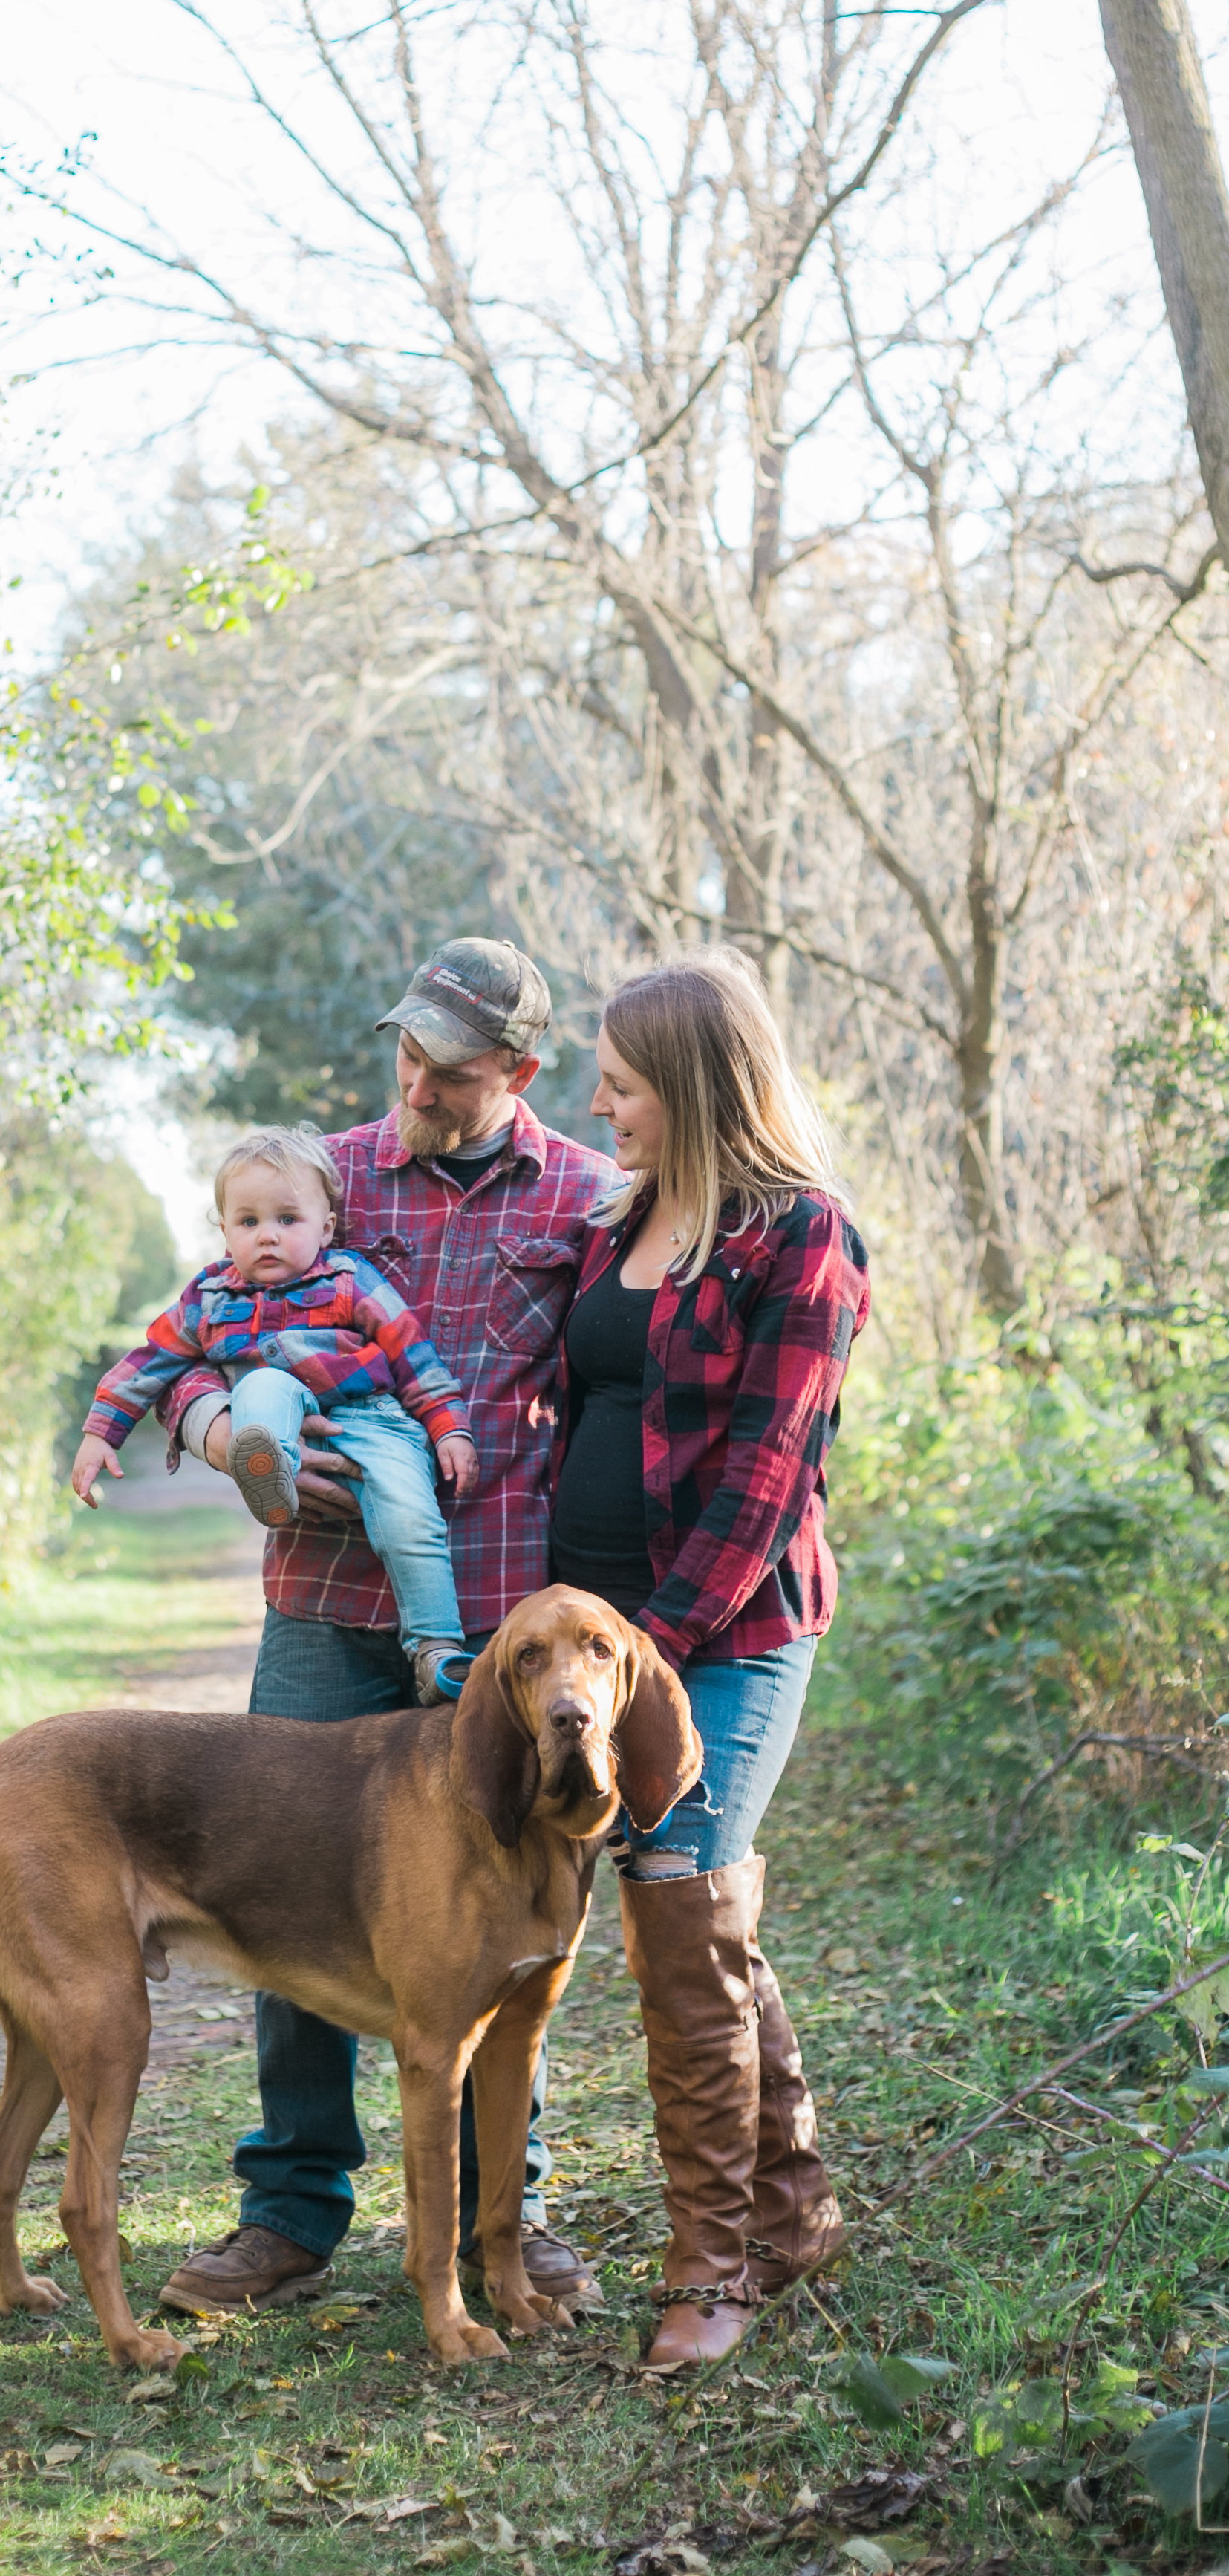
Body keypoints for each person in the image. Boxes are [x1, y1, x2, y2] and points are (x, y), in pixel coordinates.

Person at [151, 938, 616, 2318]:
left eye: (449, 1068)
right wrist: (220, 1425)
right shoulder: (328, 1174)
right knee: (281, 1897)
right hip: (323, 1608)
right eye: (404, 1053)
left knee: (510, 1919)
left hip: (489, 1636)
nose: (414, 1082)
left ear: (520, 1075)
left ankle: (508, 2222)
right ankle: (290, 2211)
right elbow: (188, 1341)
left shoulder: (590, 1200)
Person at [552, 950, 870, 2367]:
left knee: (679, 1907)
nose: (601, 1101)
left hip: (723, 1633)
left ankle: (716, 2267)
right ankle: (792, 2214)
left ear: (688, 1081)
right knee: (703, 1919)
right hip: (609, 1632)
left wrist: (652, 1651)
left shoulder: (803, 1235)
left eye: (622, 1080)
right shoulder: (622, 1219)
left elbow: (767, 1470)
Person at [71, 1125, 480, 1704]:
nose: (268, 1236)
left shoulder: (348, 1279)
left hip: (372, 1416)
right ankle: (269, 1470)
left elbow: (411, 1351)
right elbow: (150, 1361)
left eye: (288, 1220)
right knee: (262, 1384)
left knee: (409, 1513)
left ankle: (437, 1646)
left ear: (326, 1227)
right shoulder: (209, 1296)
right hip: (279, 1410)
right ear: (223, 1231)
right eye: (249, 1222)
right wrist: (99, 1432)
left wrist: (447, 1426)